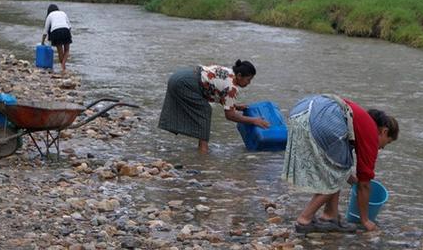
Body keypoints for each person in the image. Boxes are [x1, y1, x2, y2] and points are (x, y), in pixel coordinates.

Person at [281, 94, 399, 233]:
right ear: (384, 131)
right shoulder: (371, 132)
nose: (382, 148)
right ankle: (304, 219)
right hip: (321, 120)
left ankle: (330, 216)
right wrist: (365, 220)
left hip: (301, 112)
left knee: (336, 171)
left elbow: (340, 165)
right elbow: (365, 184)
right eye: (388, 142)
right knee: (337, 174)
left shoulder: (356, 120)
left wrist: (351, 178)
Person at [158, 60, 269, 154]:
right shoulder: (232, 88)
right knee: (205, 109)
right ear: (239, 76)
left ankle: (202, 146)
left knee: (204, 108)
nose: (249, 83)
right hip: (184, 83)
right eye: (248, 80)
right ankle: (203, 150)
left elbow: (215, 90)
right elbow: (230, 116)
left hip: (179, 77)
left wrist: (234, 106)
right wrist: (254, 120)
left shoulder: (229, 73)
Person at [41, 4, 72, 73]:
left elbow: (45, 31)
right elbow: (69, 26)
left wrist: (42, 42)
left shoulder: (49, 15)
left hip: (55, 31)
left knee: (60, 51)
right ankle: (63, 66)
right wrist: (69, 35)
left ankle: (63, 67)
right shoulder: (63, 13)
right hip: (66, 30)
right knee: (67, 50)